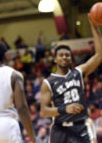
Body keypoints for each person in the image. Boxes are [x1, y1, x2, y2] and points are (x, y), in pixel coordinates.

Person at [40, 15, 102, 143]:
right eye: (61, 55)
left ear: (71, 58)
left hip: (80, 128)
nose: (64, 57)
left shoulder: (78, 72)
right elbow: (44, 111)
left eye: (67, 55)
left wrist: (93, 27)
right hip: (59, 130)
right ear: (55, 59)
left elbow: (99, 55)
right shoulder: (48, 82)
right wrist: (64, 109)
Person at [0, 43, 35, 143]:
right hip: (7, 124)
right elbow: (21, 108)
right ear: (5, 55)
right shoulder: (15, 75)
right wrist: (32, 137)